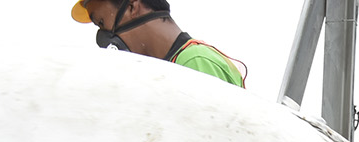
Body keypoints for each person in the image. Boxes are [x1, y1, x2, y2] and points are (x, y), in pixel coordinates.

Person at [72, 1, 245, 86]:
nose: (104, 37)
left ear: (132, 7)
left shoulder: (194, 63)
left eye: (102, 23)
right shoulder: (169, 70)